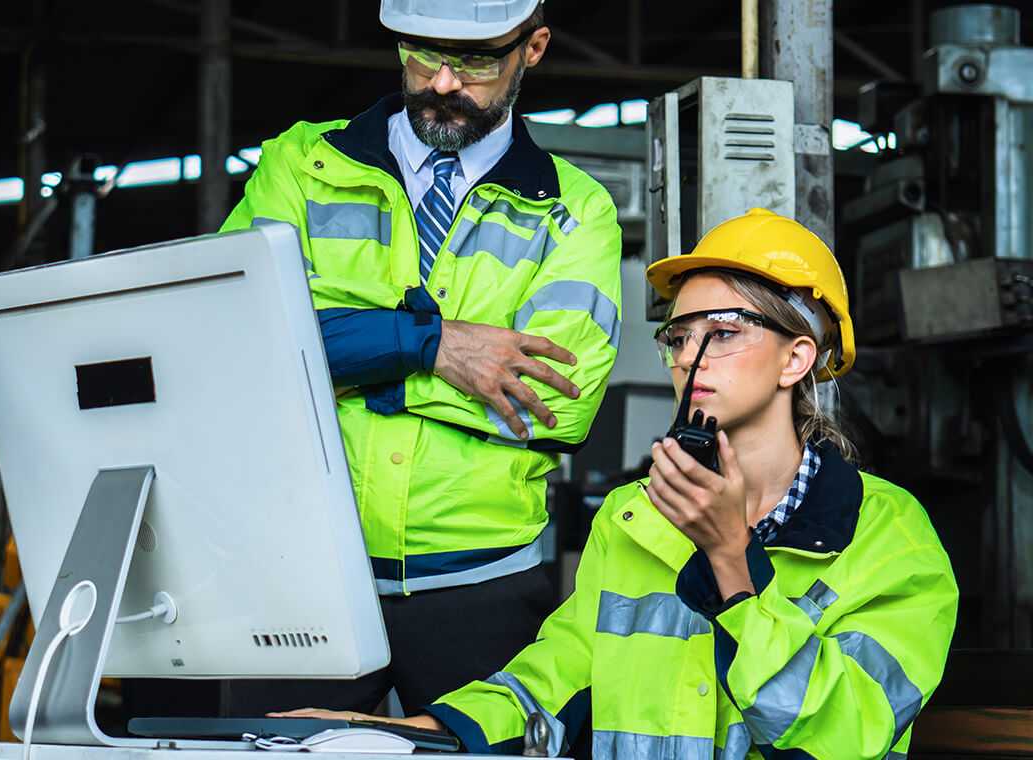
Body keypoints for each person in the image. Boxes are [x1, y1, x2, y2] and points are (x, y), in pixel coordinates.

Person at [278, 209, 959, 759]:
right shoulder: (635, 515)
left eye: (723, 333)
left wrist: (732, 565)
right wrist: (409, 732)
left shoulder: (891, 538)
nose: (690, 357)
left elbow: (846, 734)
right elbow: (561, 672)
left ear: (797, 357)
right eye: (678, 337)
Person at [219, 0, 624, 716]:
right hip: (302, 576)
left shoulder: (574, 210)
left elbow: (558, 402)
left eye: (473, 60)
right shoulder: (303, 164)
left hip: (479, 584)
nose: (440, 83)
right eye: (420, 53)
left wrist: (337, 362)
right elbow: (230, 342)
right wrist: (430, 346)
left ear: (533, 48)